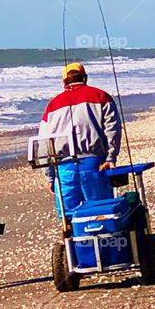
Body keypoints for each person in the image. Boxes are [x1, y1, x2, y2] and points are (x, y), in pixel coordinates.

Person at [38, 62, 121, 219]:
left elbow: (43, 143)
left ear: (64, 82)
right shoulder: (101, 96)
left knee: (69, 218)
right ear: (85, 78)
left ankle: (72, 243)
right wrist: (111, 157)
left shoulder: (52, 105)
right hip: (95, 163)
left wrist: (49, 175)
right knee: (101, 212)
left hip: (63, 167)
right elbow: (113, 130)